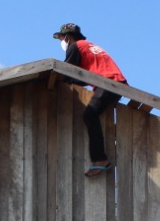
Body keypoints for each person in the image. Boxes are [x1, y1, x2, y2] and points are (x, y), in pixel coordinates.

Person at [53, 22, 127, 177]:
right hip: (115, 83)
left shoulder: (75, 47)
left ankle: (100, 160)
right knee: (95, 116)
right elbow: (82, 77)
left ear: (67, 37)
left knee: (89, 115)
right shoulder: (88, 45)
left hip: (109, 84)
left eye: (61, 38)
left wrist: (57, 82)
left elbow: (67, 72)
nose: (61, 42)